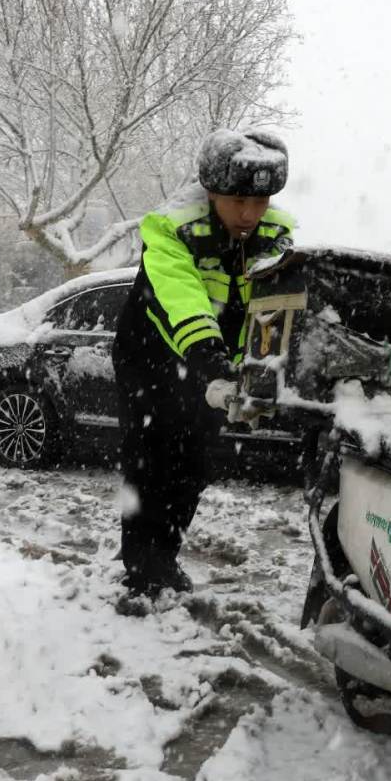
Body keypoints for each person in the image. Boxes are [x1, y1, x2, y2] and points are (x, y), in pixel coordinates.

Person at [112, 128, 295, 596]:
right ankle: (141, 570)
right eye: (238, 200)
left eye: (261, 201)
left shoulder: (275, 236)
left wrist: (264, 370)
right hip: (150, 361)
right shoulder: (170, 229)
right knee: (150, 463)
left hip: (211, 368)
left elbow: (272, 308)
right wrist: (211, 365)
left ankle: (165, 557)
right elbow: (183, 300)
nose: (250, 214)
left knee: (194, 466)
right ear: (212, 190)